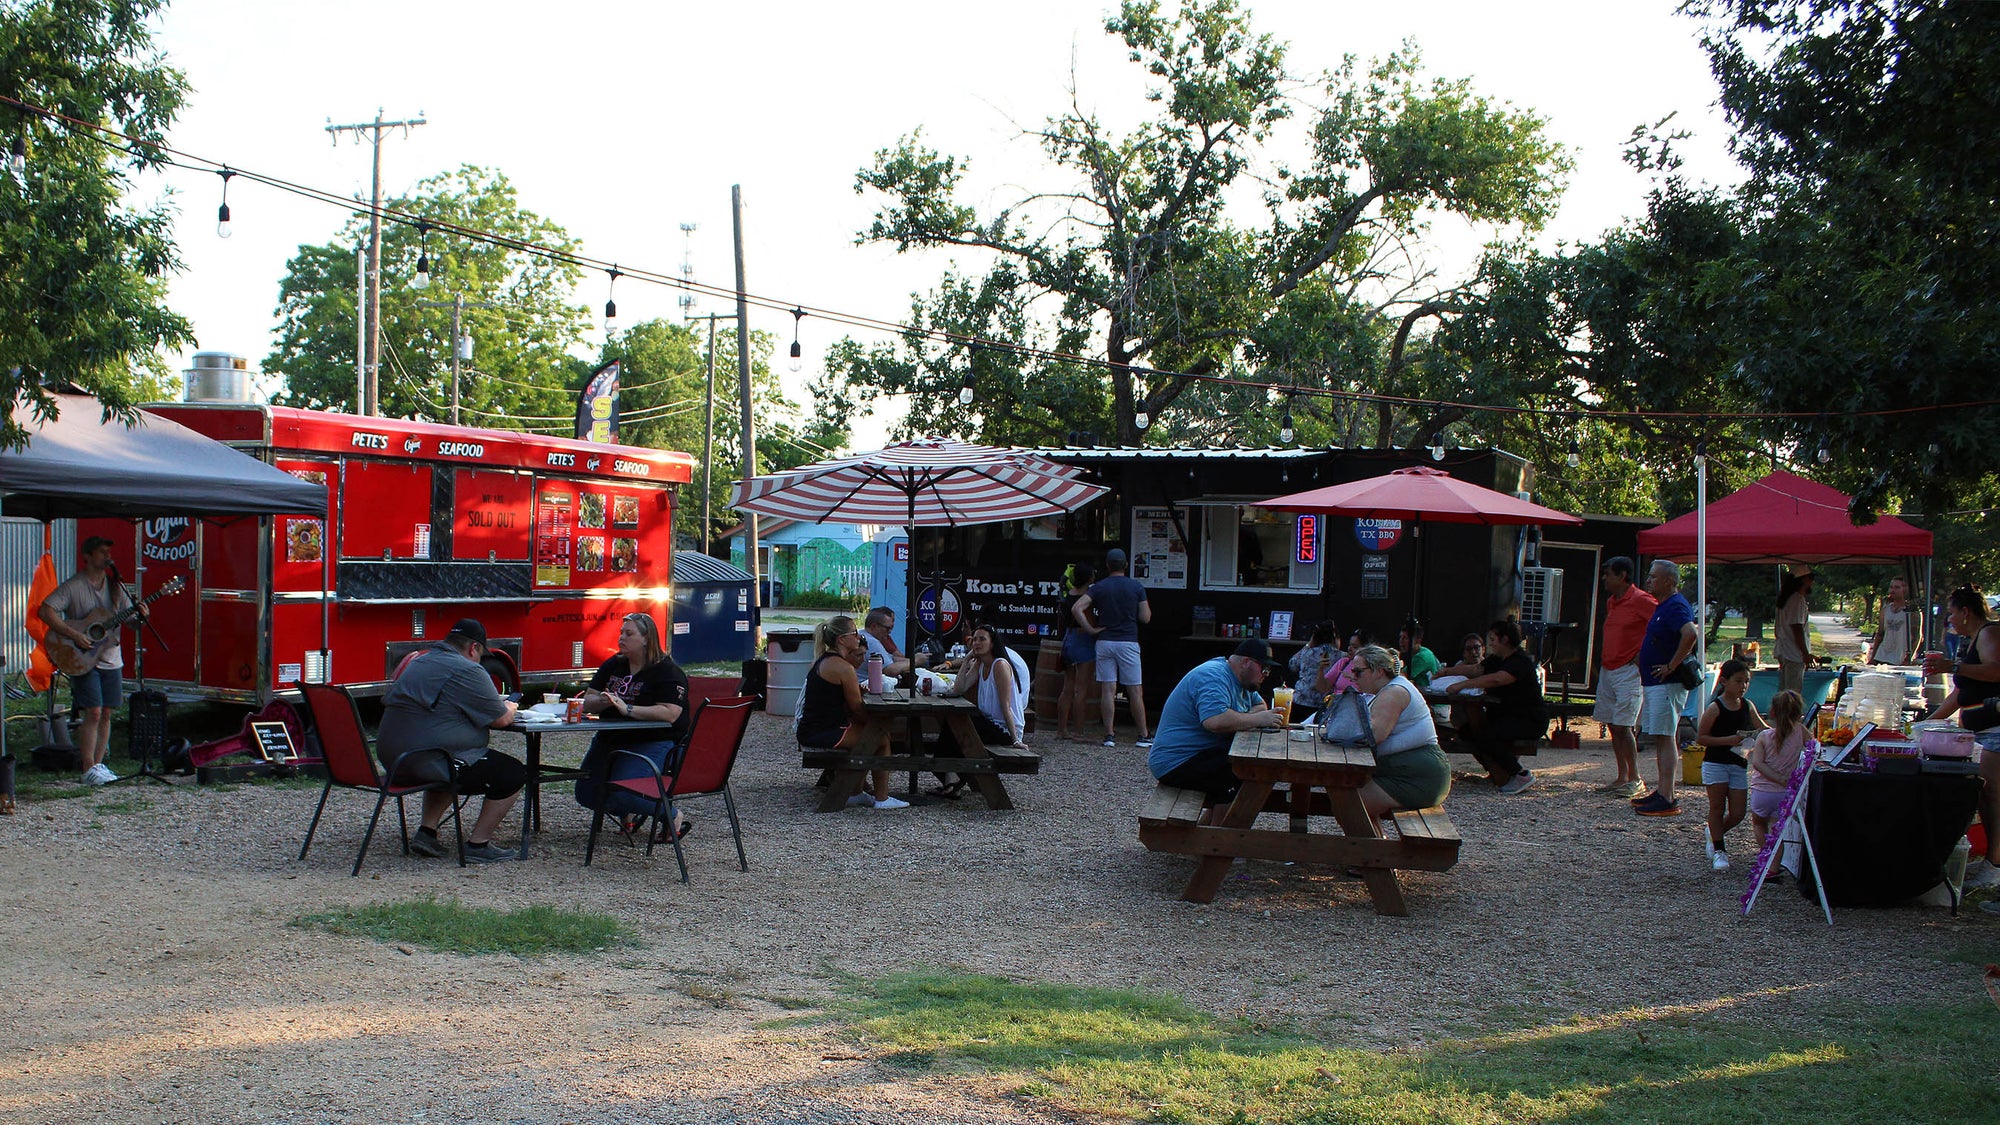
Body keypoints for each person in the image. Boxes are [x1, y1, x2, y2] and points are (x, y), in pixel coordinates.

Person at [374, 619, 523, 863]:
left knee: (455, 755)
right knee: (512, 772)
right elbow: (500, 720)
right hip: (427, 761)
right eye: (480, 655)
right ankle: (478, 845)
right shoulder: (467, 669)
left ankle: (427, 832)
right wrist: (510, 705)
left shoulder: (419, 661)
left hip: (395, 759)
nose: (479, 661)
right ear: (474, 648)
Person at [573, 612, 692, 840]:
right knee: (586, 793)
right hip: (611, 739)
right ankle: (625, 812)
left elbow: (670, 713)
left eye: (629, 633)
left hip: (652, 741)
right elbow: (587, 701)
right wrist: (603, 700)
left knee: (626, 791)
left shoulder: (667, 671)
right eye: (621, 633)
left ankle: (671, 813)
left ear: (647, 639)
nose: (621, 638)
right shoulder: (614, 665)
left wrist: (627, 708)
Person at [37, 536, 135, 785]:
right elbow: (45, 610)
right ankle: (87, 767)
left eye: (108, 552)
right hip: (82, 657)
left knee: (106, 713)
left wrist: (141, 614)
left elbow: (132, 622)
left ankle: (99, 766)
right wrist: (76, 635)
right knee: (93, 711)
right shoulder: (75, 586)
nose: (108, 556)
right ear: (88, 556)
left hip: (111, 658)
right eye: (102, 552)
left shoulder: (116, 587)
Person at [1146, 638, 1284, 803]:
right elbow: (1215, 721)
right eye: (1264, 667)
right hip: (1176, 761)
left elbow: (1261, 705)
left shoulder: (1243, 681)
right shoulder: (1214, 677)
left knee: (1245, 767)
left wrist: (1244, 717)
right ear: (1246, 662)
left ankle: (1215, 826)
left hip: (1200, 753)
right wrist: (1257, 719)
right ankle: (1222, 827)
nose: (1266, 674)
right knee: (1241, 772)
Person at [1923, 587, 2000, 875]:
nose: (1950, 620)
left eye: (1952, 613)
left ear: (1966, 612)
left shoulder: (1990, 634)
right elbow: (1960, 692)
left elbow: (1996, 671)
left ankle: (1995, 866)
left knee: (1992, 795)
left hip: (1995, 728)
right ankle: (1992, 861)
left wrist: (1953, 665)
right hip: (1982, 731)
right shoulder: (1971, 641)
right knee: (1985, 795)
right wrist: (1928, 723)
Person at [796, 616, 909, 811]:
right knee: (879, 738)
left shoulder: (827, 660)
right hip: (821, 731)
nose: (859, 637)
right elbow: (857, 707)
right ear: (841, 639)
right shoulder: (843, 667)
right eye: (854, 633)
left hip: (816, 727)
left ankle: (855, 793)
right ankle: (882, 798)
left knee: (871, 736)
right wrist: (878, 725)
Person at [1347, 644, 1451, 818]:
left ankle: (1371, 845)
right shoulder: (1389, 688)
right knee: (1348, 796)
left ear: (1379, 671)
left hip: (1416, 778)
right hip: (1408, 772)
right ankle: (1375, 843)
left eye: (1358, 672)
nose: (1353, 677)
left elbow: (1373, 735)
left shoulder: (1393, 692)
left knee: (1350, 804)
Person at [1444, 619, 1546, 794]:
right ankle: (1498, 771)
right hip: (1506, 716)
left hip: (1528, 720)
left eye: (1492, 639)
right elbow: (1476, 670)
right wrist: (1446, 672)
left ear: (1505, 639)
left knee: (1486, 735)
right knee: (1468, 732)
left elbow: (1497, 678)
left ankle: (1520, 774)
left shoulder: (1519, 662)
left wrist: (1462, 685)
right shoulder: (1497, 659)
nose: (1490, 644)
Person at [1633, 560, 1700, 817]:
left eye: (1653, 577)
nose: (1648, 581)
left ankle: (1668, 795)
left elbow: (1690, 633)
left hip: (1667, 683)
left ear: (1668, 581)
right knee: (1663, 736)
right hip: (1656, 683)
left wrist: (1672, 665)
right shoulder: (1664, 606)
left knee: (1666, 736)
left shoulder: (1676, 606)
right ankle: (1662, 791)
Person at [1593, 556, 1658, 799]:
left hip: (1628, 671)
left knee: (1624, 724)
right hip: (1609, 669)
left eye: (1608, 574)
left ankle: (1636, 778)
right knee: (1612, 723)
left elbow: (1659, 626)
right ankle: (1622, 776)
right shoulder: (1613, 601)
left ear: (1622, 576)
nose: (1604, 579)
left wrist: (1643, 653)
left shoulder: (1641, 600)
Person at [1074, 547, 1152, 749]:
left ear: (1107, 566)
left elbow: (1077, 608)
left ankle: (1109, 735)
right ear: (1126, 565)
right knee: (1135, 690)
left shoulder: (1099, 587)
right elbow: (1145, 617)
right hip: (1128, 642)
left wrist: (1091, 629)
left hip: (1105, 641)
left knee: (1108, 689)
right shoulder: (1136, 587)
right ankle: (1143, 735)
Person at [1694, 658, 1766, 871]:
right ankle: (1719, 849)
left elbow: (1762, 728)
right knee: (1716, 806)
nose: (1743, 686)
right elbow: (1701, 738)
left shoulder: (1748, 706)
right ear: (1724, 681)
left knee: (1738, 812)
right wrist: (1728, 740)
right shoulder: (1715, 707)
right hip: (1716, 763)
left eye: (1746, 681)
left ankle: (1715, 832)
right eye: (1738, 681)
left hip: (1738, 762)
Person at [1747, 690, 1807, 880]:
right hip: (1785, 792)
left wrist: (1776, 777)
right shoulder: (1801, 732)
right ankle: (1773, 865)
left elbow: (1758, 763)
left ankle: (1767, 858)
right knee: (1776, 830)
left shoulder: (1764, 736)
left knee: (1758, 824)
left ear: (1772, 712)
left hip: (1762, 791)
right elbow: (1815, 750)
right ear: (1799, 714)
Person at [945, 625, 1030, 748]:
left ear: (992, 644)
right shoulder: (980, 664)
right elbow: (959, 689)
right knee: (955, 721)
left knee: (960, 724)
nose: (976, 643)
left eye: (982, 639)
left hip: (1004, 730)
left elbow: (1006, 706)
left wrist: (1016, 740)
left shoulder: (1000, 665)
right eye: (974, 639)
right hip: (989, 723)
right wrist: (965, 661)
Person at [1056, 564, 1097, 740]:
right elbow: (1089, 620)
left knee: (1067, 688)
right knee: (1081, 690)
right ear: (1089, 579)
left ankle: (1061, 730)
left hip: (1068, 639)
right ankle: (1078, 731)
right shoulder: (1087, 598)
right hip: (1083, 640)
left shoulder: (1066, 596)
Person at [1287, 620, 1339, 724]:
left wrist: (1308, 645)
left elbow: (1292, 665)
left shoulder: (1306, 653)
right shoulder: (1341, 657)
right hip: (1324, 705)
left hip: (1300, 702)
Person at [1775, 565, 1815, 695]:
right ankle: (1789, 715)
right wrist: (1805, 654)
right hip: (1793, 654)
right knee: (1792, 694)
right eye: (1811, 578)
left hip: (1785, 651)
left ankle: (1782, 714)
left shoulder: (1786, 599)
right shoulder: (1797, 599)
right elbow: (1796, 628)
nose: (1812, 582)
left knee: (1784, 692)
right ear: (1803, 580)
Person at [1869, 576, 1923, 666]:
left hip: (1900, 657)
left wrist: (1908, 658)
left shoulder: (1912, 611)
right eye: (1891, 587)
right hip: (1883, 656)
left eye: (1897, 587)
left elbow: (1917, 637)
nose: (1893, 590)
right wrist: (1873, 657)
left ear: (1904, 589)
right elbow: (1880, 634)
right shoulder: (1886, 609)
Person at [861, 606, 924, 679]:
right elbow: (890, 670)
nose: (890, 632)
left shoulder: (864, 635)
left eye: (892, 628)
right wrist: (916, 661)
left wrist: (913, 659)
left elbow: (890, 658)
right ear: (874, 626)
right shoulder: (872, 642)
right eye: (887, 628)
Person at [1398, 621, 1440, 689]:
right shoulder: (1415, 653)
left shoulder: (1422, 656)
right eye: (1400, 637)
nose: (1401, 641)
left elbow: (1401, 676)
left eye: (1405, 638)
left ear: (1418, 640)